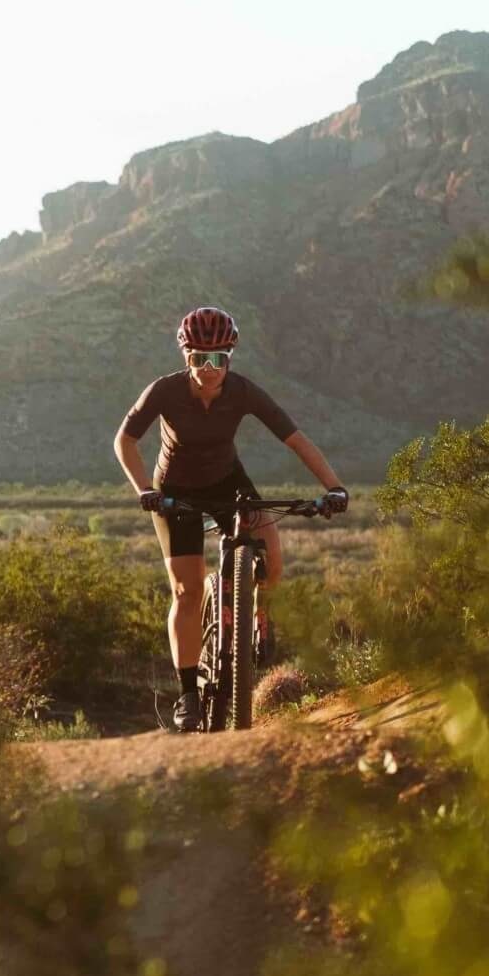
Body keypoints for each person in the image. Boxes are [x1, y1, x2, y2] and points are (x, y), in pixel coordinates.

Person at [112, 306, 349, 733]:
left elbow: (296, 440)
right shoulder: (164, 392)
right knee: (185, 590)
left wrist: (334, 487)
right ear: (187, 358)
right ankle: (187, 694)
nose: (208, 368)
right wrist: (143, 489)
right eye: (199, 358)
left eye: (217, 358)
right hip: (174, 494)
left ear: (230, 358)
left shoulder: (243, 392)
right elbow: (125, 440)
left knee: (272, 556)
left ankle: (259, 615)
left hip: (227, 483)